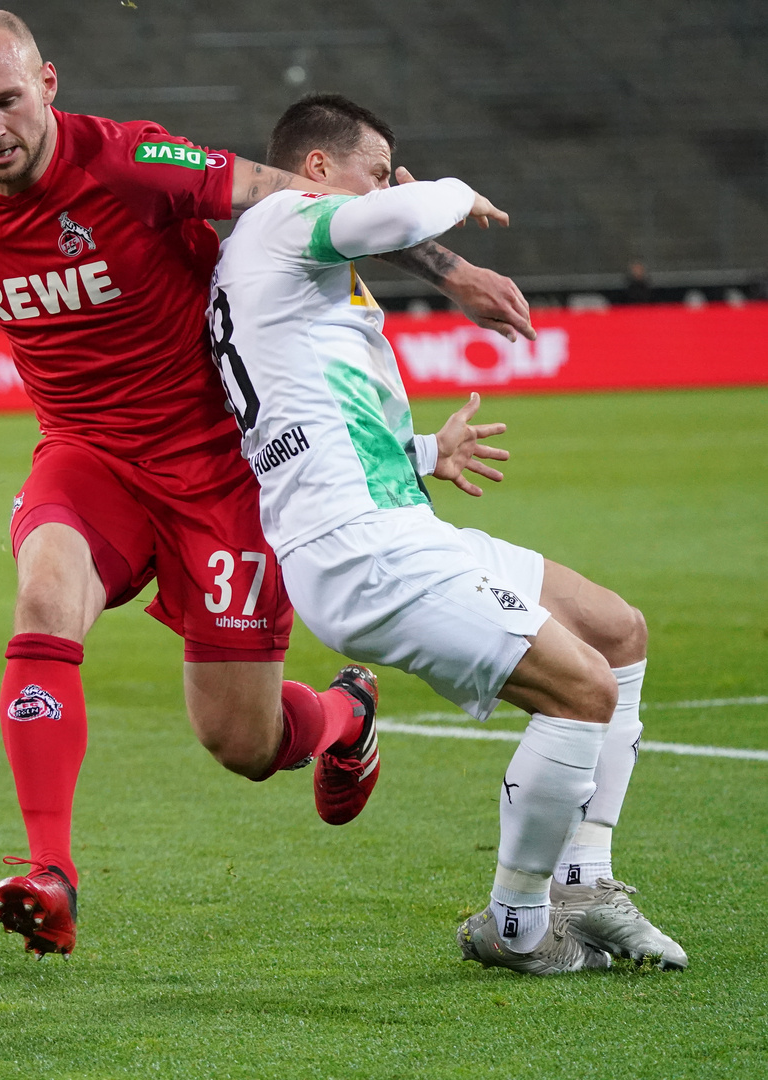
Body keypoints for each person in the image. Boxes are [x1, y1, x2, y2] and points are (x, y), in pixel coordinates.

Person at [0, 9, 534, 957]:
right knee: (43, 600)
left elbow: (292, 202)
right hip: (86, 455)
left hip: (216, 471)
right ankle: (49, 872)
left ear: (47, 85)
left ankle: (345, 716)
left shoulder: (135, 162)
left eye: (10, 102)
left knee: (242, 744)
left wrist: (450, 265)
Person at [209, 93, 684, 974]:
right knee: (582, 692)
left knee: (617, 633)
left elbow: (305, 416)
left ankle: (587, 881)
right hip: (364, 553)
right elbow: (402, 213)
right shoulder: (282, 218)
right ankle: (518, 926)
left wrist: (423, 448)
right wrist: (450, 193)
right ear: (318, 168)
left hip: (386, 525)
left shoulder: (278, 266)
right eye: (376, 169)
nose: (388, 187)